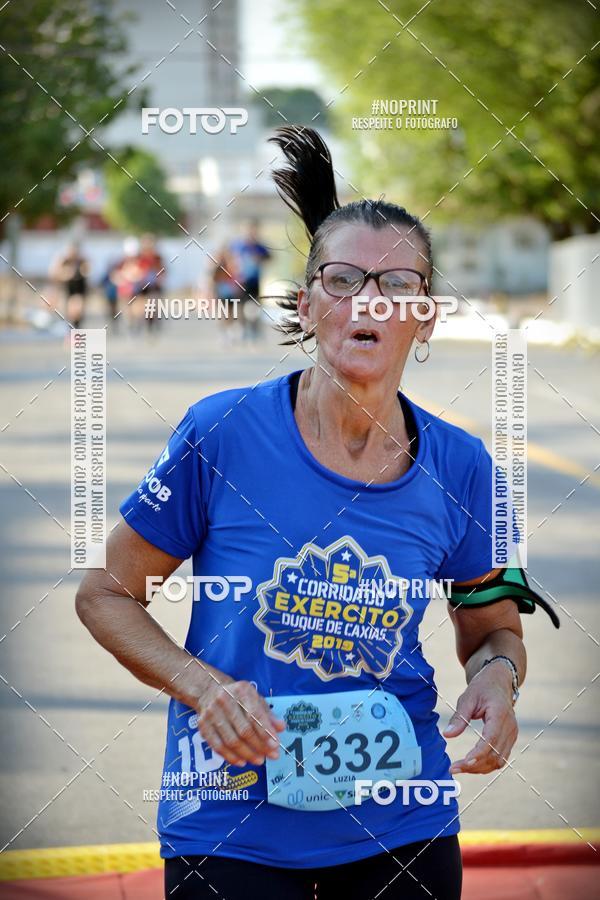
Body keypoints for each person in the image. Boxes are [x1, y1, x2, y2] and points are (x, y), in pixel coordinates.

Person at [76, 126, 556, 900]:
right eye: (341, 279)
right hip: (231, 827)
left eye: (396, 284)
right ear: (308, 304)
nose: (367, 300)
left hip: (403, 826)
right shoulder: (221, 432)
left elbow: (495, 628)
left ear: (426, 317)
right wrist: (204, 688)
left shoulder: (465, 468)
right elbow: (104, 592)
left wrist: (498, 681)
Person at [229, 221, 271, 343]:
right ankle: (242, 329)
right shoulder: (239, 246)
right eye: (249, 231)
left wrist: (260, 259)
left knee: (254, 307)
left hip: (255, 281)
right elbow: (229, 257)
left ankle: (254, 330)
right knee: (240, 306)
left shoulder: (259, 247)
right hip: (241, 280)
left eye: (254, 231)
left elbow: (269, 257)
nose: (252, 233)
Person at [50, 241, 89, 328]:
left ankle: (77, 327)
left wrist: (82, 271)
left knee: (78, 309)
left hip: (79, 289)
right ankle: (71, 329)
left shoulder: (81, 261)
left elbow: (87, 270)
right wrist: (65, 274)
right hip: (68, 290)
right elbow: (54, 274)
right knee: (70, 312)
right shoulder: (64, 261)